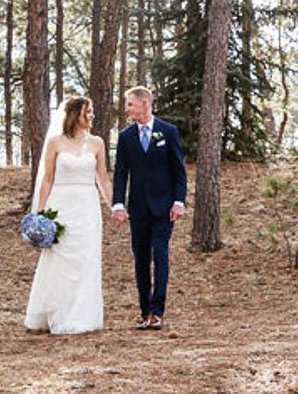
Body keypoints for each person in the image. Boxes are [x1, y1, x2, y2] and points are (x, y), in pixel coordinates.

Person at [24, 96, 113, 334]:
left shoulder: (97, 143)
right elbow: (47, 178)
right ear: (75, 115)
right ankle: (56, 311)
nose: (92, 116)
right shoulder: (55, 142)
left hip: (87, 206)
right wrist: (40, 213)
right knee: (60, 258)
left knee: (85, 258)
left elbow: (102, 178)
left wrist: (114, 206)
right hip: (61, 204)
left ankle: (81, 315)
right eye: (88, 112)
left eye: (92, 112)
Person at [111, 86, 187, 330]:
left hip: (164, 208)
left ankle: (158, 311)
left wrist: (179, 201)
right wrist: (118, 204)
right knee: (141, 260)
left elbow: (179, 171)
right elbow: (121, 173)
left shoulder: (168, 131)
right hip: (138, 209)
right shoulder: (125, 137)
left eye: (130, 104)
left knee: (160, 254)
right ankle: (145, 311)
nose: (126, 109)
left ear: (145, 104)